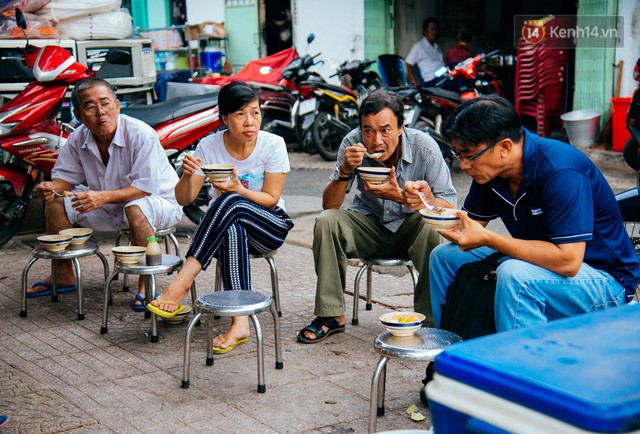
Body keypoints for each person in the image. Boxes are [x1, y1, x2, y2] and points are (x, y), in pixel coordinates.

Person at [404, 95, 640, 332]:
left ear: (504, 147)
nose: (464, 166)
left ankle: (521, 364)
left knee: (515, 275)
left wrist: (490, 239)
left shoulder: (561, 171)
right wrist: (429, 202)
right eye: (458, 155)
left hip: (604, 281)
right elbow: (465, 227)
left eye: (468, 154)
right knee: (444, 257)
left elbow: (569, 262)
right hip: (541, 264)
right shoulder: (490, 172)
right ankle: (454, 355)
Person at [297, 90, 457, 344]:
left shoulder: (424, 147)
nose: (375, 140)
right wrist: (344, 171)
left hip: (413, 227)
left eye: (385, 130)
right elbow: (330, 205)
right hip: (369, 224)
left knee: (432, 229)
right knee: (326, 221)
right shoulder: (352, 143)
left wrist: (403, 198)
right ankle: (331, 316)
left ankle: (429, 322)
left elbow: (449, 208)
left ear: (401, 127)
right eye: (368, 130)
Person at [148, 81, 294, 353]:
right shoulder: (209, 146)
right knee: (231, 230)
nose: (250, 122)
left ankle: (182, 282)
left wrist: (238, 189)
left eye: (255, 112)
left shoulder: (273, 144)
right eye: (240, 114)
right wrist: (188, 175)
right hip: (224, 231)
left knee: (230, 200)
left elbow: (272, 199)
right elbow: (184, 199)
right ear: (224, 118)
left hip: (270, 225)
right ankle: (240, 322)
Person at [34, 78, 182, 311]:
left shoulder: (140, 134)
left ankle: (146, 284)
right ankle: (64, 275)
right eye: (91, 107)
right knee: (56, 202)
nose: (101, 112)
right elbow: (65, 178)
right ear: (78, 114)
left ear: (118, 106)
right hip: (108, 203)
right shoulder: (77, 138)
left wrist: (101, 197)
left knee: (136, 206)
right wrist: (50, 188)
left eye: (105, 103)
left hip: (158, 203)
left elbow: (144, 188)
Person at [405, 17, 445, 87]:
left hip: (443, 76)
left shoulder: (437, 47)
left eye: (436, 29)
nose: (435, 32)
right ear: (425, 31)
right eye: (432, 30)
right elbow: (408, 63)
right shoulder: (418, 46)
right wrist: (413, 81)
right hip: (432, 80)